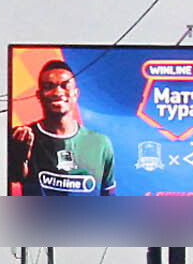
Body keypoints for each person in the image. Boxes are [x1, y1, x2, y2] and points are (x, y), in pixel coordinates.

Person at [10, 56, 115, 195]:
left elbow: (109, 197)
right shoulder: (22, 137)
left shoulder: (100, 143)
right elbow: (13, 179)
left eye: (65, 86)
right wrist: (19, 159)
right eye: (49, 87)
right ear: (39, 95)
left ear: (76, 94)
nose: (58, 92)